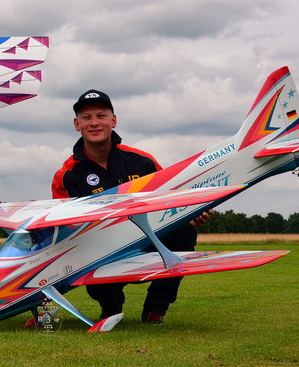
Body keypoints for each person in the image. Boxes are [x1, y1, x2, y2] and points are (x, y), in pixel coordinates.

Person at [51, 89, 207, 325]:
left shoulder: (142, 161)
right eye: (87, 117)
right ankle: (110, 309)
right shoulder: (66, 175)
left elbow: (172, 201)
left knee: (184, 232)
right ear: (77, 124)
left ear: (113, 120)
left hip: (146, 241)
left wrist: (192, 213)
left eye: (101, 116)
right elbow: (64, 230)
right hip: (100, 250)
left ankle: (155, 310)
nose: (94, 123)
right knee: (82, 250)